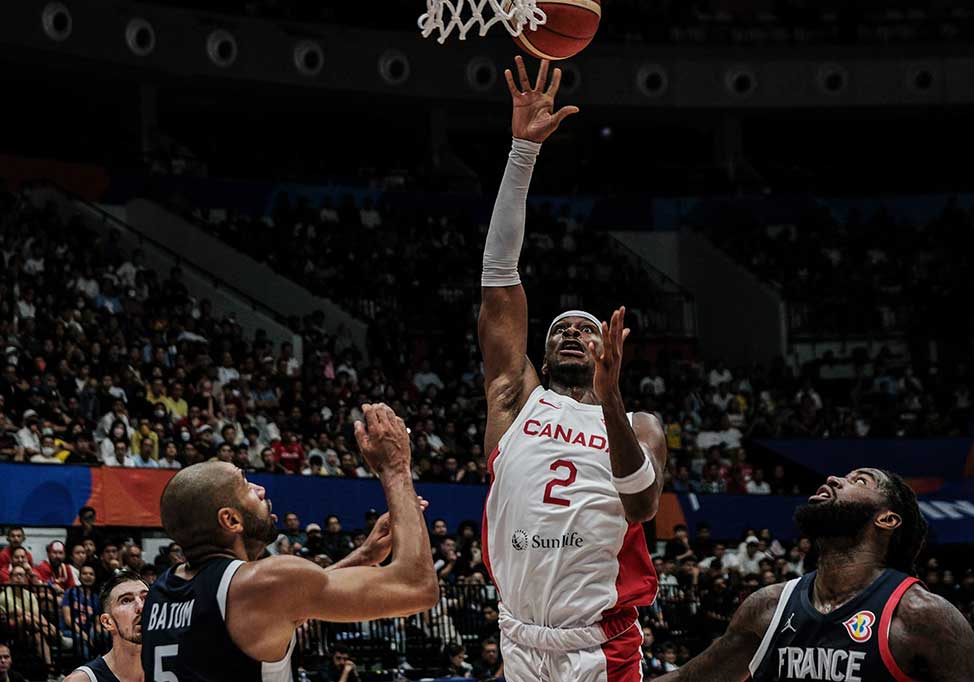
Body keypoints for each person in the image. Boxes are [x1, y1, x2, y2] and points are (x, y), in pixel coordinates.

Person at [478, 56, 667, 682]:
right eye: (559, 328)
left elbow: (640, 505)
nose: (570, 333)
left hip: (600, 643)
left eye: (586, 328)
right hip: (516, 633)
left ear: (609, 348)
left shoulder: (639, 423)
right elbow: (500, 278)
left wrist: (610, 401)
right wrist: (521, 154)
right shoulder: (515, 400)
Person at [141, 403, 436, 681]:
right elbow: (417, 587)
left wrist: (363, 556)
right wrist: (396, 470)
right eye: (246, 485)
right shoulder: (260, 584)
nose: (260, 490)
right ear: (231, 520)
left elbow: (284, 602)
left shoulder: (162, 591)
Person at [653, 469, 974, 682]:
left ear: (887, 519)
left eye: (859, 480)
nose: (833, 479)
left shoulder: (921, 616)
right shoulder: (768, 607)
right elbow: (691, 677)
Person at [65, 571, 149, 682]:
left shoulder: (172, 670)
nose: (141, 606)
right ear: (107, 622)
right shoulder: (82, 680)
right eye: (126, 600)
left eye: (146, 598)